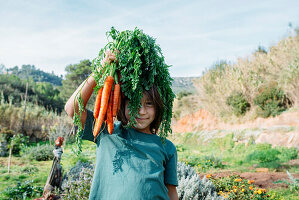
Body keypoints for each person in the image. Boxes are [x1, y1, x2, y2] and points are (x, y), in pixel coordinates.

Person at [64, 51, 179, 200]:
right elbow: (72, 109)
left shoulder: (167, 147)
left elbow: (171, 193)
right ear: (122, 105)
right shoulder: (106, 132)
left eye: (149, 103)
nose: (142, 111)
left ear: (158, 107)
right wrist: (101, 69)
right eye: (134, 103)